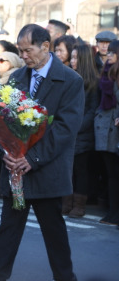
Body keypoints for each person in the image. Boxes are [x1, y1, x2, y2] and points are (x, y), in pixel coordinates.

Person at [0, 24, 84, 281]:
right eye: (20, 51)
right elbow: (1, 120)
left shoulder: (71, 81)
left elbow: (64, 129)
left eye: (28, 51)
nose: (23, 56)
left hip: (47, 171)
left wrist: (32, 158)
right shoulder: (16, 78)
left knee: (54, 235)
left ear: (45, 47)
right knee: (7, 231)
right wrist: (7, 152)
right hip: (15, 170)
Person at [62, 44, 100, 218]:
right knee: (67, 169)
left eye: (76, 58)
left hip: (83, 133)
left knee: (81, 169)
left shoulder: (93, 82)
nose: (73, 61)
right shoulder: (68, 78)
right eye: (72, 57)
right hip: (68, 129)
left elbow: (93, 110)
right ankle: (66, 202)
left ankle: (79, 205)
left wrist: (77, 126)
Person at [94, 40, 119, 225]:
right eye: (107, 52)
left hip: (114, 129)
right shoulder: (106, 73)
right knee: (111, 174)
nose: (108, 56)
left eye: (112, 53)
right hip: (106, 128)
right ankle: (112, 212)